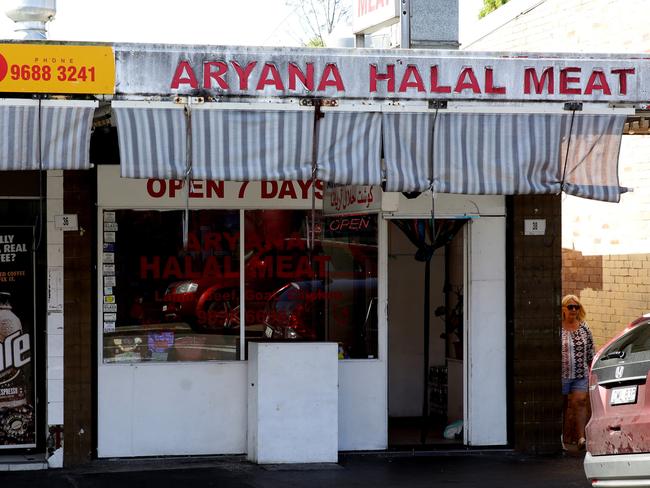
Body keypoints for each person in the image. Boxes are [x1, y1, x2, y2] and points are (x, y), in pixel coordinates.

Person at [561, 294, 595, 451]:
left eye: (576, 307)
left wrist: (592, 370)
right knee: (560, 406)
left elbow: (590, 352)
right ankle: (561, 437)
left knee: (580, 402)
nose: (573, 310)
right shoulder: (558, 327)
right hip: (561, 376)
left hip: (580, 374)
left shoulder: (584, 328)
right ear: (563, 309)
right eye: (570, 307)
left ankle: (581, 438)